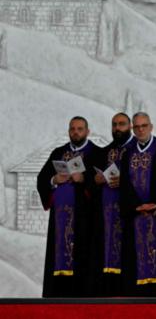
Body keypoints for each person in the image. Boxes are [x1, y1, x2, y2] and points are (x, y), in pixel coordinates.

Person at [37, 116, 100, 297]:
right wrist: (54, 179)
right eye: (72, 129)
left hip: (84, 219)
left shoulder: (96, 153)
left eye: (80, 129)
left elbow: (102, 182)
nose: (76, 132)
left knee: (83, 258)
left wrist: (84, 179)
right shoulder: (58, 152)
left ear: (87, 131)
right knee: (59, 257)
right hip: (60, 220)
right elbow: (42, 179)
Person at [119, 112, 156, 296]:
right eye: (137, 127)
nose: (141, 130)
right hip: (136, 215)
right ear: (133, 129)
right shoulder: (127, 152)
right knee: (135, 257)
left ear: (151, 126)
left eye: (144, 126)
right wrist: (136, 206)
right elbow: (124, 184)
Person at [90, 112, 134, 296]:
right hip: (106, 213)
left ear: (130, 127)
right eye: (114, 124)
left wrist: (123, 181)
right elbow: (88, 180)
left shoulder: (137, 151)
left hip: (129, 212)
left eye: (122, 124)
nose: (117, 128)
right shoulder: (102, 153)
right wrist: (96, 179)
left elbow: (144, 180)